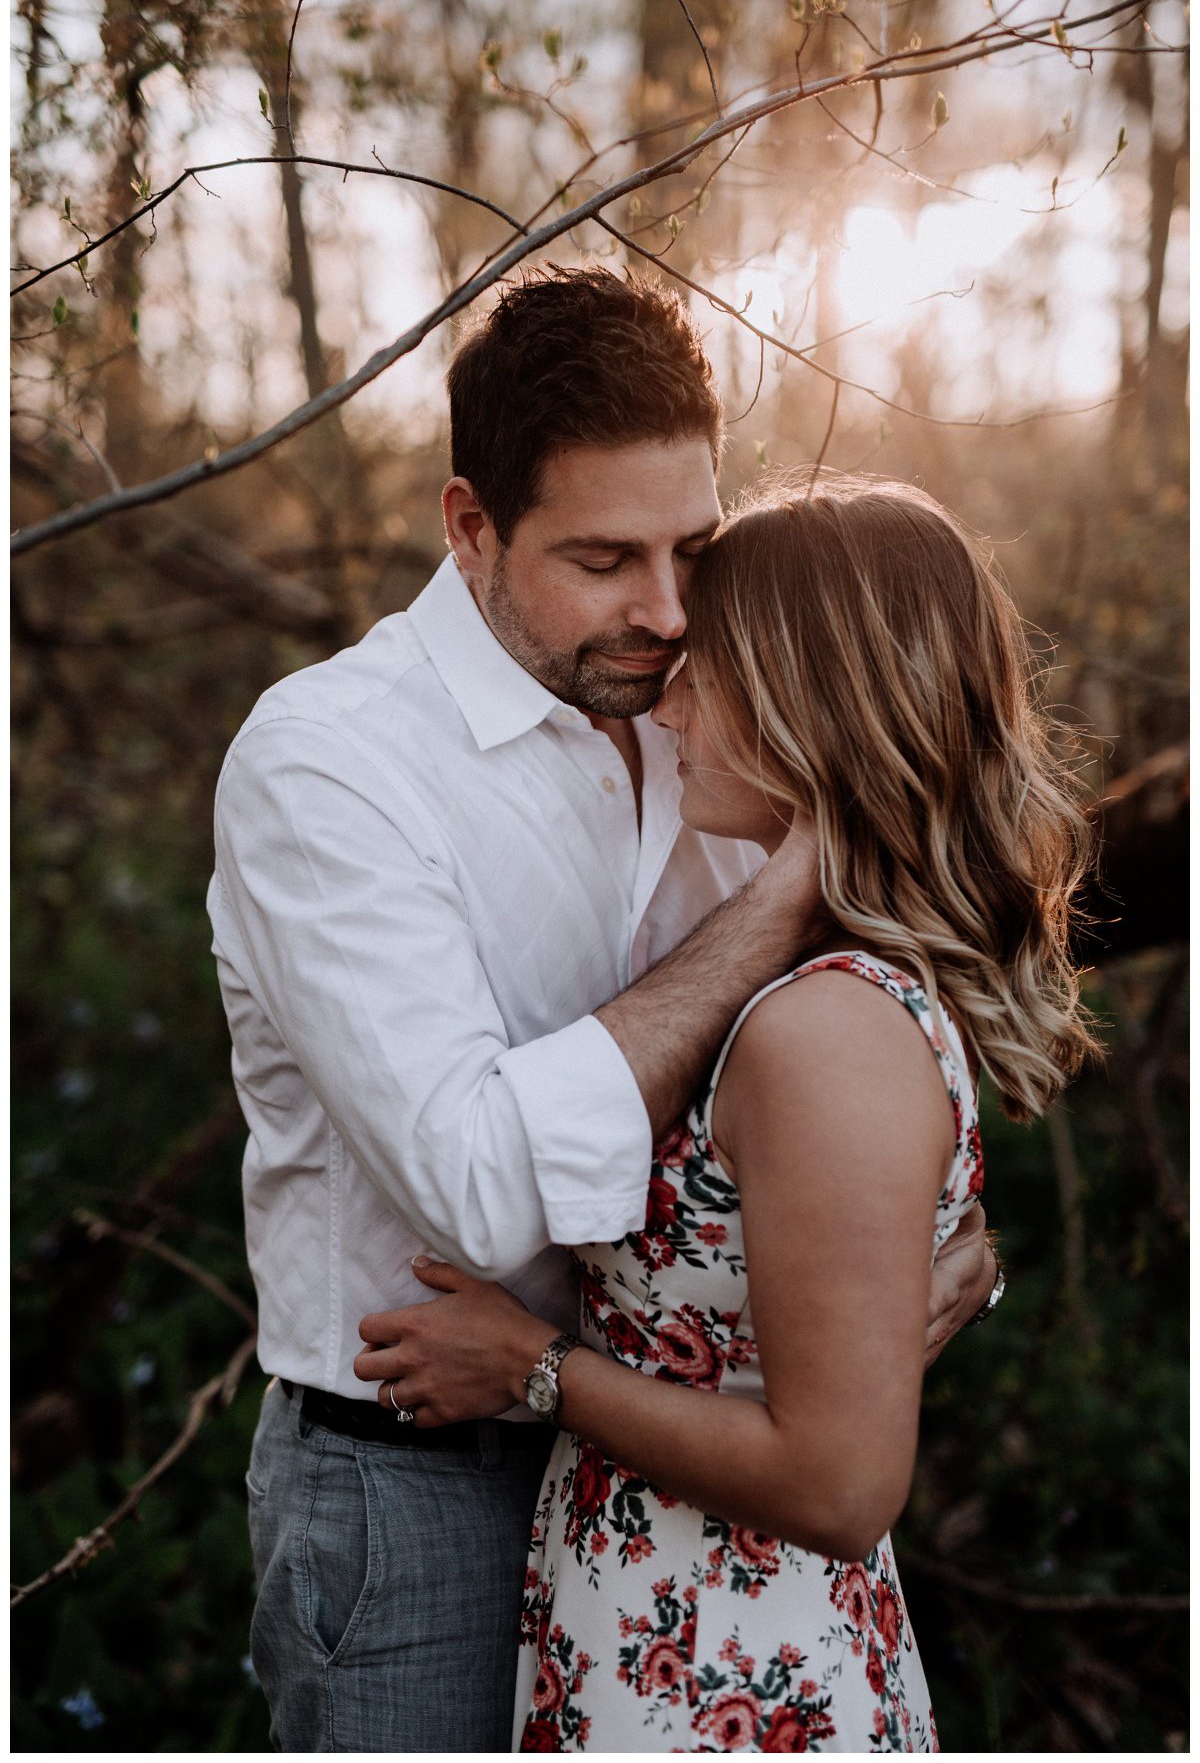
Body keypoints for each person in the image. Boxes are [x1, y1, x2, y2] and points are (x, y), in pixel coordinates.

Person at [209, 269, 995, 1752]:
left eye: (694, 544)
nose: (669, 609)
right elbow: (485, 1193)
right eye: (603, 557)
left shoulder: (713, 713)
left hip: (692, 1502)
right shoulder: (332, 765)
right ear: (470, 527)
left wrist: (938, 1251)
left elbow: (860, 1090)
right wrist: (768, 905)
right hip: (418, 1488)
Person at [355, 474, 1098, 1752]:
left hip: (731, 1678)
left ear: (817, 701)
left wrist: (531, 1369)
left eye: (712, 669)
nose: (671, 702)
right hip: (667, 1629)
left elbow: (842, 1480)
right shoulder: (815, 981)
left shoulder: (826, 1028)